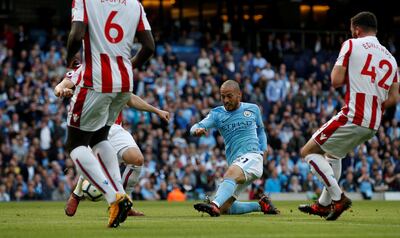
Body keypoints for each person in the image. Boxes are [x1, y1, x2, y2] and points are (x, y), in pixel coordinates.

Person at [60, 0, 155, 228]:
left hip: (96, 81)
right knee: (100, 138)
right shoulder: (135, 4)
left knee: (75, 144)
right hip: (124, 83)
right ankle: (119, 194)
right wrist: (127, 66)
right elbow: (150, 47)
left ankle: (114, 198)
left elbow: (76, 34)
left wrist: (69, 59)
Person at [298, 11, 399, 221]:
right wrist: (375, 103)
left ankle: (338, 198)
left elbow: (335, 80)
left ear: (357, 29)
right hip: (374, 122)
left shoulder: (352, 44)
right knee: (333, 155)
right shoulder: (391, 59)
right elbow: (394, 97)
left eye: (352, 29)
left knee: (308, 151)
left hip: (354, 114)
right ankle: (323, 205)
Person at [191, 80, 279, 216]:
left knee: (229, 177)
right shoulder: (217, 114)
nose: (225, 100)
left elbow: (261, 131)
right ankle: (261, 206)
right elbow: (195, 126)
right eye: (222, 96)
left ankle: (213, 205)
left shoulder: (253, 109)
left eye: (229, 96)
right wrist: (197, 130)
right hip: (235, 162)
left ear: (239, 95)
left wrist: (264, 149)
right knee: (225, 208)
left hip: (253, 156)